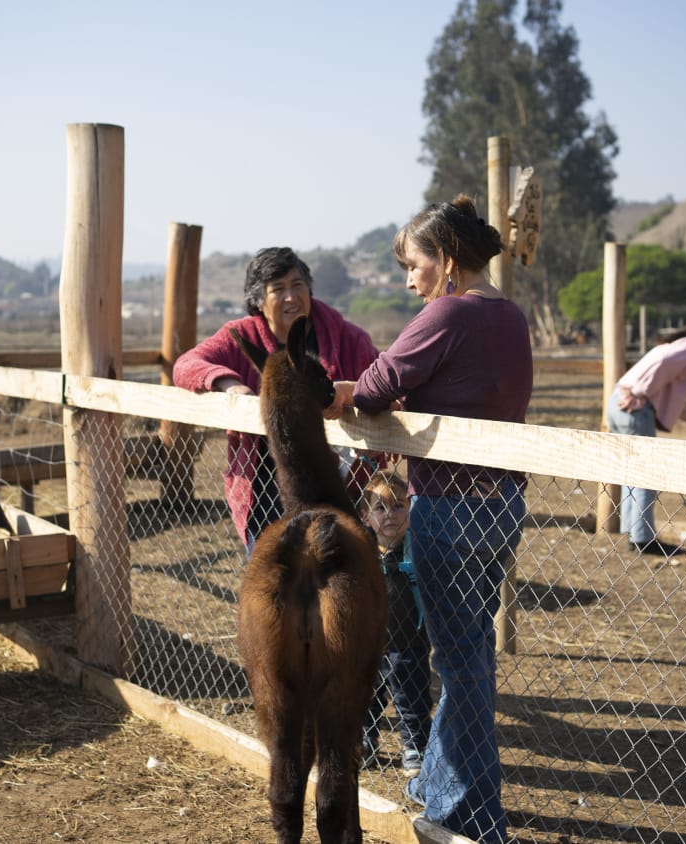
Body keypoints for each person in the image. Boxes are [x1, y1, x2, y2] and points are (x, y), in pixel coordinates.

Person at [328, 195, 531, 843]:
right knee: (470, 652)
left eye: (412, 266)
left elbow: (378, 383)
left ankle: (468, 818)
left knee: (462, 661)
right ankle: (443, 788)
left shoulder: (448, 312)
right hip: (502, 504)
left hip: (449, 505)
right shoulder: (512, 315)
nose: (407, 281)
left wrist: (349, 392)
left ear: (445, 262)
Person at [172, 246, 381, 552]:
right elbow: (186, 365)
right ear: (258, 300)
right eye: (278, 289)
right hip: (265, 495)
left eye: (298, 286)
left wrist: (355, 397)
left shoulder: (347, 338)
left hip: (342, 489)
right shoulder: (240, 337)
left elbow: (383, 382)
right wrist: (230, 385)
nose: (291, 297)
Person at [606, 307, 686, 556]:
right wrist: (639, 392)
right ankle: (642, 538)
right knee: (645, 473)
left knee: (631, 471)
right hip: (634, 406)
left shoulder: (677, 344)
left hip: (618, 403)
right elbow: (659, 371)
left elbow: (674, 398)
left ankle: (633, 532)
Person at [359, 471, 433, 776]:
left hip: (409, 641)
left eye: (399, 505)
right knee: (365, 695)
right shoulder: (362, 554)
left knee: (411, 697)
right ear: (365, 516)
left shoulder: (418, 550)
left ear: (411, 508)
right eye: (380, 508)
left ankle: (414, 744)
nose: (390, 514)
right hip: (368, 642)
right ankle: (365, 739)